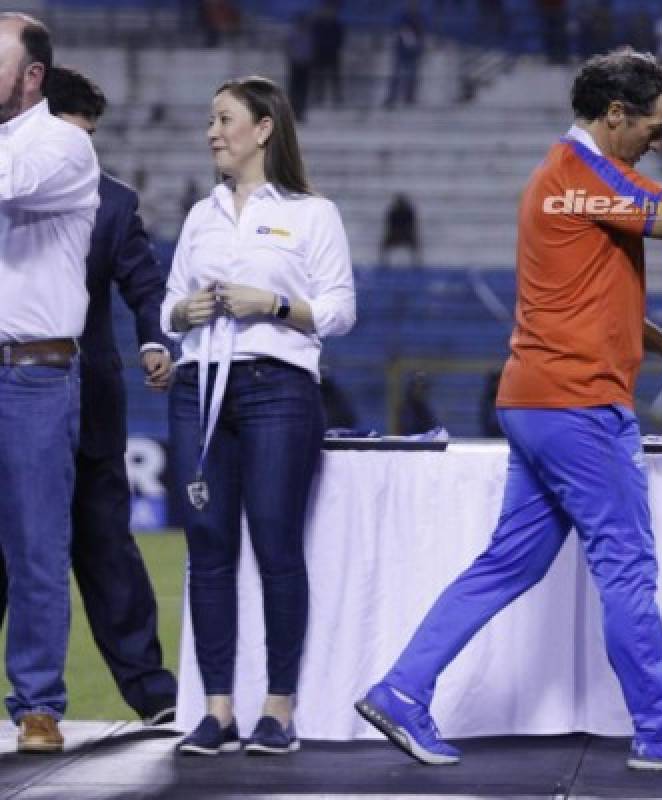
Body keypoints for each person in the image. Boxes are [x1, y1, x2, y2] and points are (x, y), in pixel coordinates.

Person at [354, 48, 662, 773]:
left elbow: (586, 290)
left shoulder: (560, 178)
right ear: (614, 116)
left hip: (533, 399)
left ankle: (402, 688)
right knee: (627, 568)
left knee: (508, 564)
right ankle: (661, 731)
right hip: (579, 404)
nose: (658, 141)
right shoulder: (590, 177)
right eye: (653, 127)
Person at [163, 75, 355, 756]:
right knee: (208, 552)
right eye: (210, 121)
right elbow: (169, 306)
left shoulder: (311, 213)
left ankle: (279, 707)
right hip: (198, 388)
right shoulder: (200, 214)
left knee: (276, 547)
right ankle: (217, 711)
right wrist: (183, 313)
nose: (212, 132)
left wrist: (270, 305)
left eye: (223, 119)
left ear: (263, 128)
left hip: (279, 389)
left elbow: (338, 311)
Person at [0, 65, 180, 728]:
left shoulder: (116, 203)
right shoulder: (13, 192)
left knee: (106, 549)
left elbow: (147, 287)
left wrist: (155, 340)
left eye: (91, 138)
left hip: (89, 404)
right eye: (76, 135)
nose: (82, 152)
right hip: (19, 389)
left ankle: (152, 693)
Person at [0, 13, 101, 754]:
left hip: (33, 373)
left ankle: (37, 704)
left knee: (37, 543)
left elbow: (13, 186)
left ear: (32, 75)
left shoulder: (62, 144)